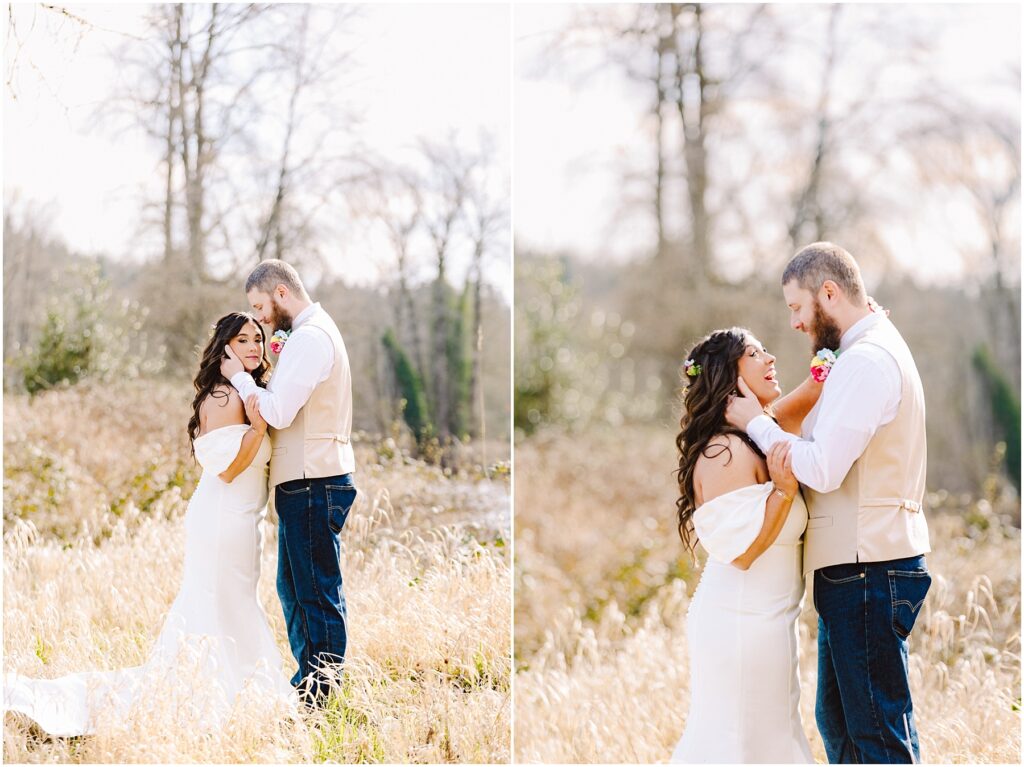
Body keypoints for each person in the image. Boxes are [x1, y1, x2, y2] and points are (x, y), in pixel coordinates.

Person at [4, 312, 293, 736]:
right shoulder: (222, 397)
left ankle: (238, 693)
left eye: (258, 339)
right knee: (223, 603)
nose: (253, 347)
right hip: (221, 521)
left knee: (233, 603)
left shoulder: (247, 393)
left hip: (245, 521)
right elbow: (229, 470)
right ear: (225, 349)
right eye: (242, 340)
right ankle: (221, 695)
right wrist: (258, 428)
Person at [726, 242, 931, 764]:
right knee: (842, 728)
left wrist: (755, 425)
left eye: (797, 306)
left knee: (876, 736)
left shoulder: (866, 361)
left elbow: (821, 467)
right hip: (858, 566)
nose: (794, 322)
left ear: (830, 293)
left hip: (868, 566)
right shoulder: (863, 351)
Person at [670, 327, 823, 763]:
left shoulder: (761, 434)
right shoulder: (725, 451)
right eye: (755, 354)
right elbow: (743, 553)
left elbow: (814, 391)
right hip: (739, 624)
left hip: (770, 622)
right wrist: (783, 493)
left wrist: (848, 334)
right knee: (740, 746)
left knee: (770, 743)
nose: (771, 358)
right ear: (728, 376)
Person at [221, 259, 357, 706]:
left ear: (281, 292)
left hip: (314, 479)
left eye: (260, 306)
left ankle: (321, 697)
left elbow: (278, 412)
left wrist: (240, 380)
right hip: (305, 480)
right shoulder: (305, 336)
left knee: (315, 591)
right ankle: (308, 685)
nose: (260, 318)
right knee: (294, 589)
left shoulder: (311, 338)